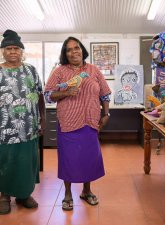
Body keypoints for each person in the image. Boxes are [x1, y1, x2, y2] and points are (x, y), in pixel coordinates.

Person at [44, 37, 111, 211]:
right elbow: (48, 95)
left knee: (89, 157)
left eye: (77, 48)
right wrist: (65, 92)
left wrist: (106, 114)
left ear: (82, 50)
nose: (74, 52)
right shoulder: (60, 71)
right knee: (68, 158)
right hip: (68, 122)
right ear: (65, 54)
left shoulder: (93, 70)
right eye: (69, 49)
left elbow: (104, 94)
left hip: (90, 122)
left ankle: (86, 191)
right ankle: (67, 194)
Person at [0, 30, 46, 214]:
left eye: (16, 48)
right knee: (6, 161)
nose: (13, 52)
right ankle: (4, 195)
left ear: (21, 51)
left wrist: (43, 118)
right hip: (4, 129)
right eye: (9, 48)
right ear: (2, 51)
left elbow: (40, 95)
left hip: (29, 127)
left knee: (27, 162)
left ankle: (24, 194)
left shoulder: (31, 70)